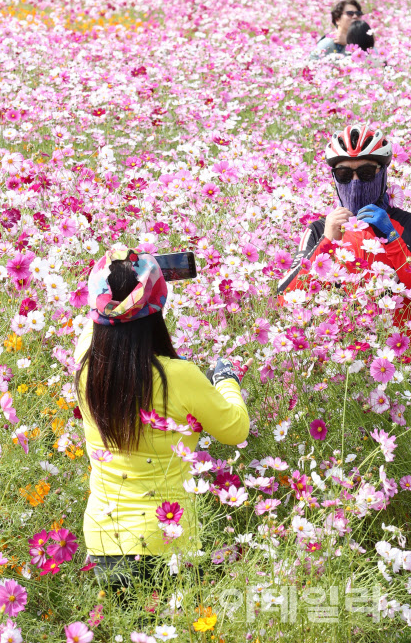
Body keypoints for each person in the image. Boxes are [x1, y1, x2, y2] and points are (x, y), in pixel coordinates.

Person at [75, 249, 249, 591]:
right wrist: (226, 380)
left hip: (103, 538)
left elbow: (104, 317)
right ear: (157, 309)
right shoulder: (178, 376)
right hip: (164, 540)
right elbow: (236, 429)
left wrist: (126, 277)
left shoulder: (85, 357)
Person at [278, 124, 411, 329]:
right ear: (334, 178)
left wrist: (393, 239)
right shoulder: (318, 229)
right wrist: (327, 241)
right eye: (344, 174)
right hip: (337, 353)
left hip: (399, 354)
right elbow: (286, 299)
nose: (355, 182)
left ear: (383, 173)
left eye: (366, 173)